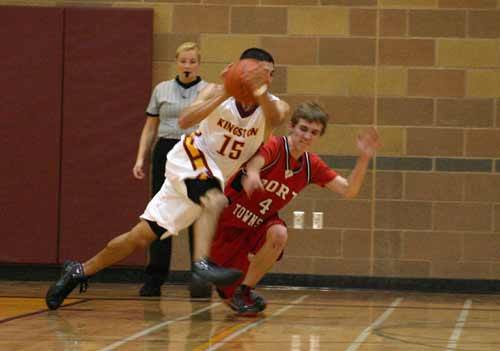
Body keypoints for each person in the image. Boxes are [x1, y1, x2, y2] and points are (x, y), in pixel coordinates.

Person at [45, 47, 290, 310]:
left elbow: (276, 117)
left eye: (269, 75)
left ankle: (79, 271)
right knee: (215, 199)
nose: (265, 78)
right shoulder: (215, 92)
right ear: (241, 69)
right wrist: (224, 93)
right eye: (258, 73)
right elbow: (185, 120)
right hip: (190, 157)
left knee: (138, 237)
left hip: (208, 175)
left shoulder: (275, 106)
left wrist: (259, 90)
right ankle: (201, 264)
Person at [210, 102, 381, 315]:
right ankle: (232, 291)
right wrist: (253, 174)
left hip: (257, 224)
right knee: (225, 296)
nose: (307, 136)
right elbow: (257, 161)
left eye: (314, 132)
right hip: (228, 225)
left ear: (319, 137)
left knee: (279, 234)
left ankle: (244, 290)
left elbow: (348, 190)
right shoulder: (274, 145)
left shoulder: (311, 165)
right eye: (303, 129)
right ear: (291, 127)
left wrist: (364, 158)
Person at [132, 42, 210, 298]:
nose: (187, 65)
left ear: (199, 64)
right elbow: (149, 127)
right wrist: (140, 158)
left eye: (192, 61)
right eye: (183, 61)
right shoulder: (161, 89)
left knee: (198, 213)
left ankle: (200, 278)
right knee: (161, 214)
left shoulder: (208, 90)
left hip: (195, 153)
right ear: (177, 62)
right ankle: (155, 278)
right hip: (166, 151)